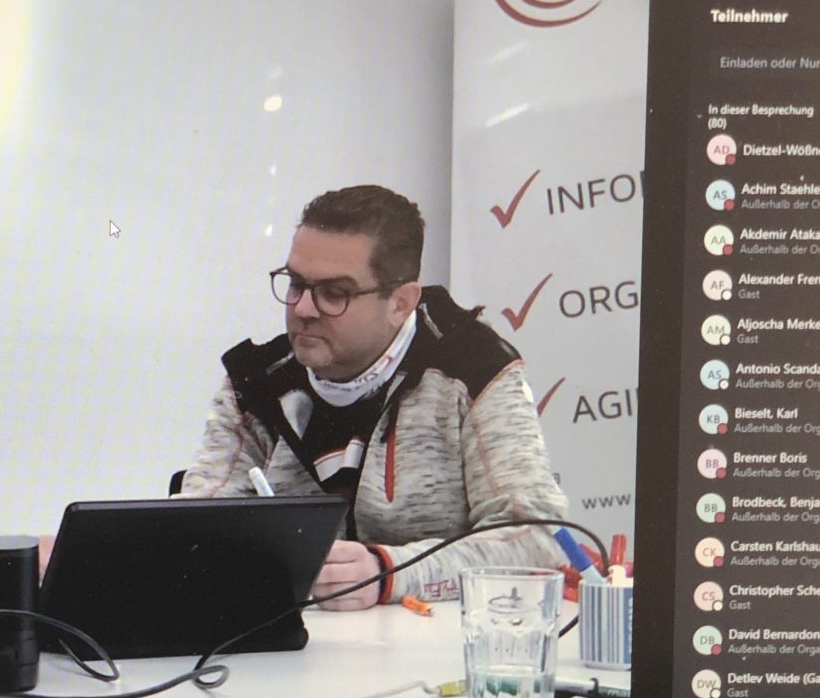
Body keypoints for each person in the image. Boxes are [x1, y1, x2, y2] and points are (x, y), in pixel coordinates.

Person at [179, 184, 568, 610]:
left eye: (334, 293)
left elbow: (537, 537)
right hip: (297, 641)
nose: (303, 309)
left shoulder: (473, 368)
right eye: (296, 284)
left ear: (401, 303)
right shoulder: (255, 383)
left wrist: (389, 572)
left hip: (434, 641)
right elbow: (193, 533)